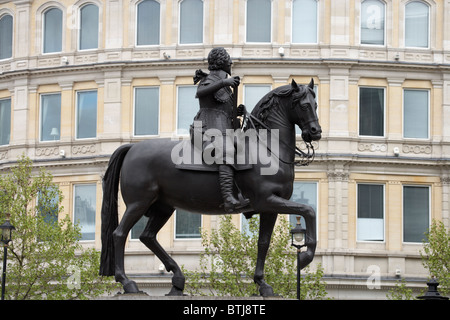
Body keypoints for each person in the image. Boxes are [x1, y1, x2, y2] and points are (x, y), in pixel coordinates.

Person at [193, 47, 249, 213]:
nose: (231, 63)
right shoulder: (208, 80)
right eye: (228, 60)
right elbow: (200, 93)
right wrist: (224, 82)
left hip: (223, 128)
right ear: (222, 62)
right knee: (226, 151)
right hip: (206, 127)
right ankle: (228, 199)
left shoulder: (226, 87)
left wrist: (237, 111)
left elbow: (224, 109)